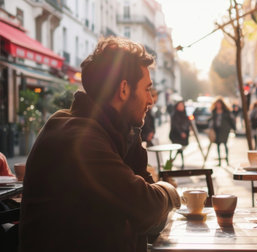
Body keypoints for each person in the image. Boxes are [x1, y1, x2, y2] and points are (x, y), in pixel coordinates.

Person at [19, 37, 181, 252]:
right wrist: (170, 190)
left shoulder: (109, 130)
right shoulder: (79, 138)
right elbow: (146, 209)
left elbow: (147, 203)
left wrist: (131, 131)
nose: (151, 100)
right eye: (147, 89)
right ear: (124, 89)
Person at [209, 97, 236, 166]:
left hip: (224, 130)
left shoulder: (226, 111)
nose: (218, 105)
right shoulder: (214, 111)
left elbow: (231, 120)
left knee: (225, 144)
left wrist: (234, 128)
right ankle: (219, 161)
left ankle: (227, 159)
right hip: (216, 130)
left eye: (219, 104)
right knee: (218, 145)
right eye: (217, 104)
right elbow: (211, 120)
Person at [169, 100, 190, 168]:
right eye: (179, 105)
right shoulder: (174, 115)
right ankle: (171, 163)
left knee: (180, 150)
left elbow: (187, 123)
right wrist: (181, 133)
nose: (181, 107)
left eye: (182, 105)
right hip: (176, 135)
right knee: (177, 149)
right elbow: (175, 125)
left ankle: (171, 162)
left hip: (184, 135)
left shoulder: (185, 114)